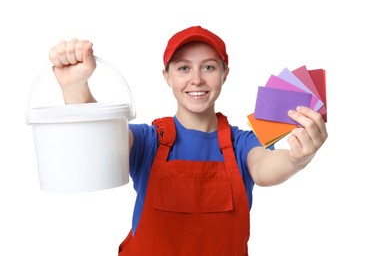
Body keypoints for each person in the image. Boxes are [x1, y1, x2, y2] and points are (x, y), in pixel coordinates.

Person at [48, 25, 328, 255]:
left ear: (224, 74)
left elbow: (265, 167)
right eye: (183, 68)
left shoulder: (242, 144)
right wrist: (75, 88)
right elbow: (100, 140)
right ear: (166, 76)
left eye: (208, 67)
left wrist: (296, 158)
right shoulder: (149, 141)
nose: (196, 79)